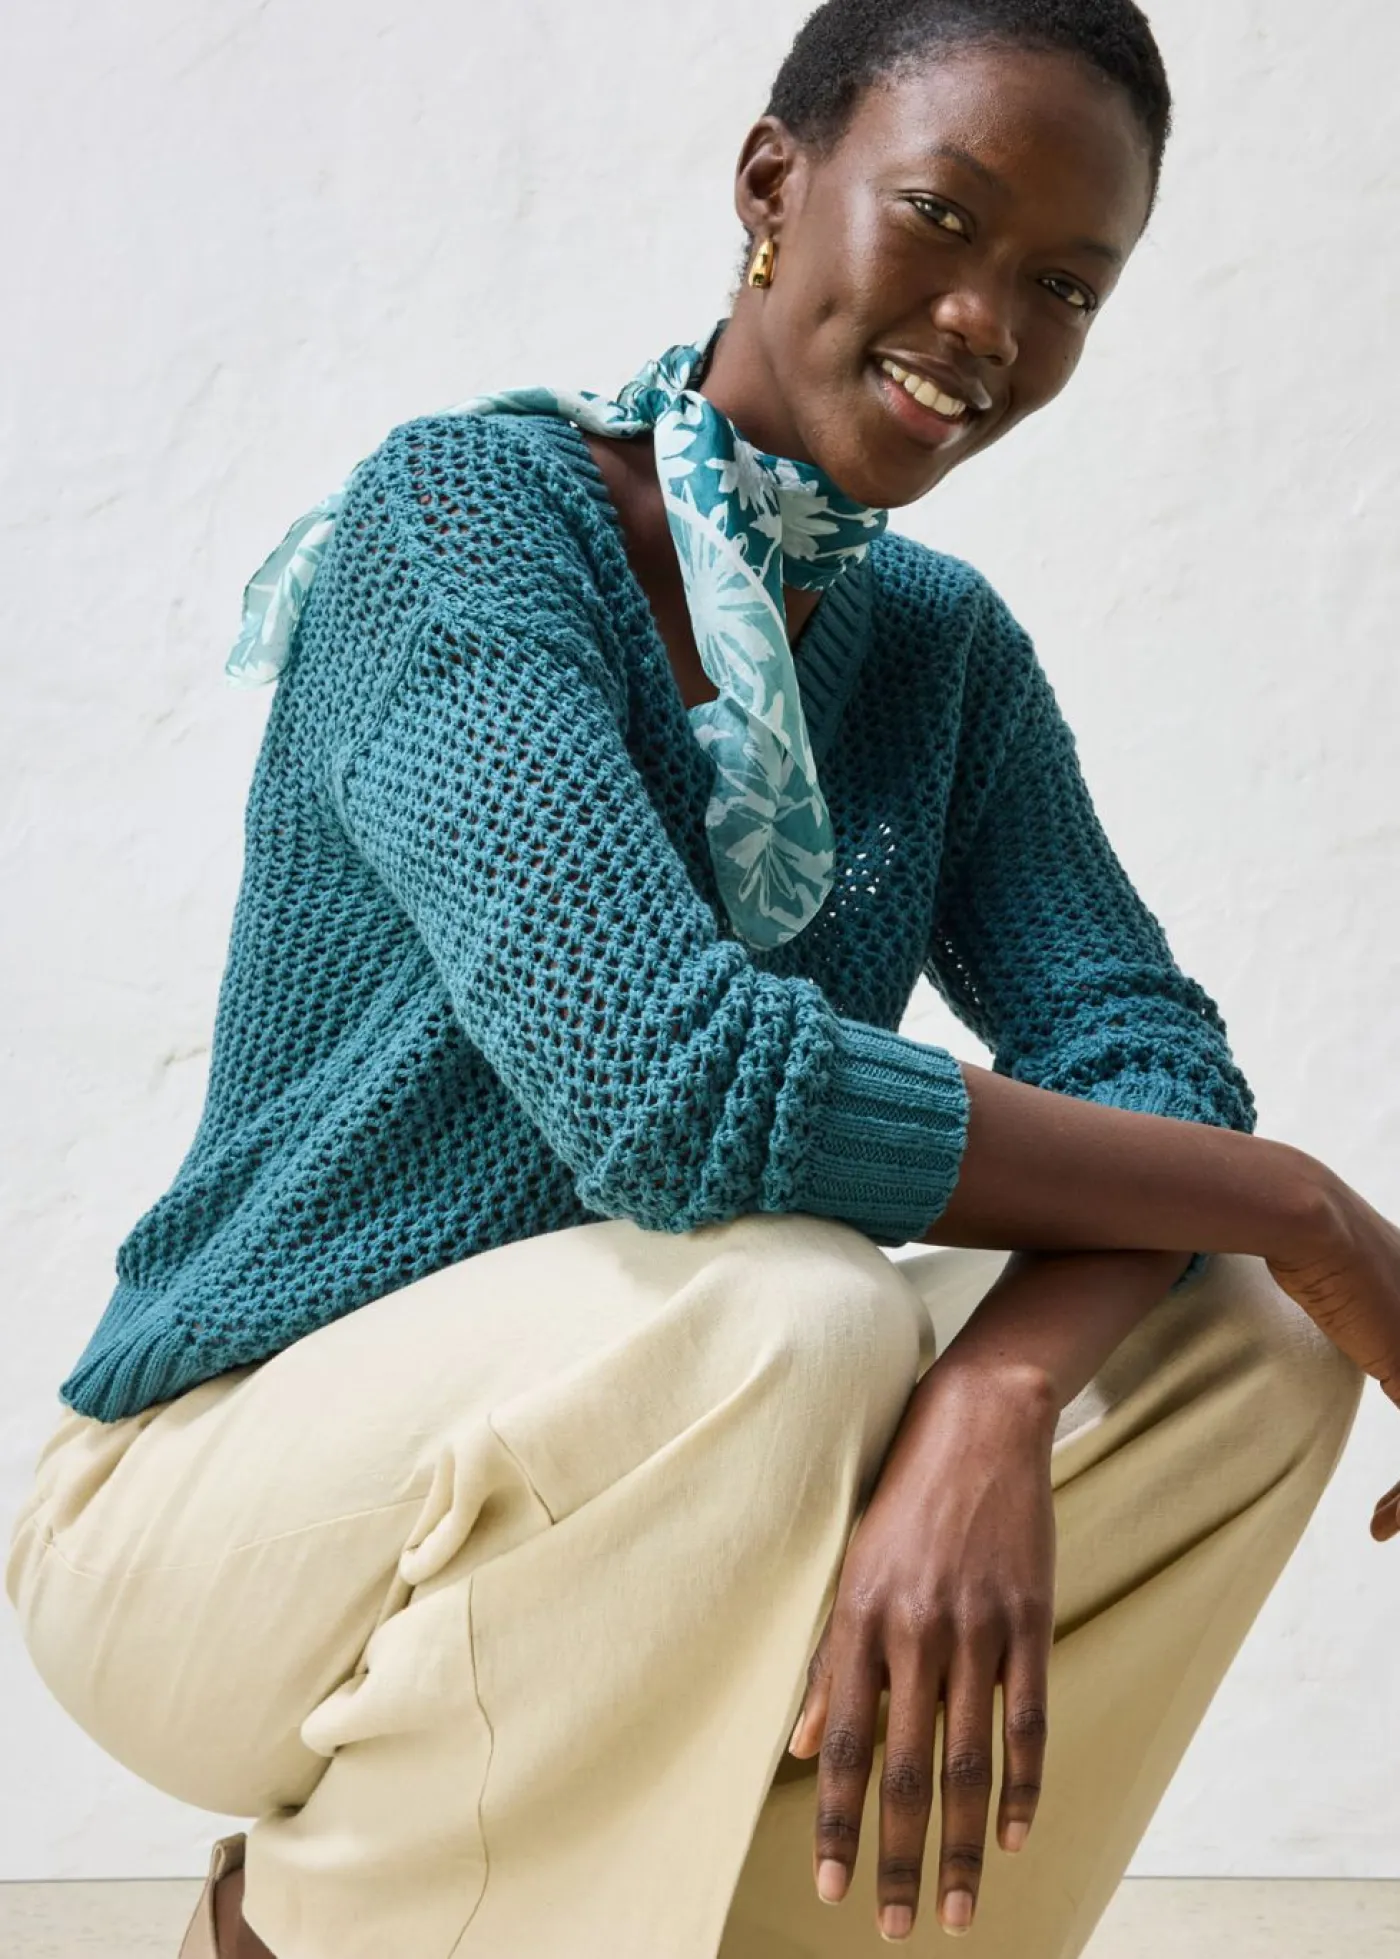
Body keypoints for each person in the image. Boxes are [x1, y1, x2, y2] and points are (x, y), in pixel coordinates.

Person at [7, 1, 1399, 1954]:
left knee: (1241, 1343)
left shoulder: (938, 652)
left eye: (1064, 285)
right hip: (227, 1506)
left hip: (660, 1471)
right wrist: (1305, 1202)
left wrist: (1003, 1393)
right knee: (797, 1307)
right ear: (771, 184)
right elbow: (667, 1087)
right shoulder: (468, 523)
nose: (987, 321)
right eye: (943, 216)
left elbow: (1140, 1047)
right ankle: (296, 1937)